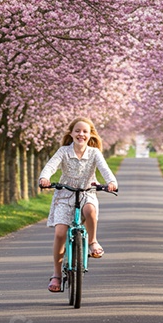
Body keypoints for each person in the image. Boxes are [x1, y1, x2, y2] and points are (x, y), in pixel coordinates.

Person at [38, 117, 119, 293]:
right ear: (71, 133)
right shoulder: (63, 151)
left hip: (86, 192)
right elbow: (51, 166)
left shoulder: (94, 153)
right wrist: (44, 178)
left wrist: (111, 182)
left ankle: (93, 242)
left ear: (90, 135)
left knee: (90, 210)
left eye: (85, 131)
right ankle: (57, 274)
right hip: (65, 194)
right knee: (60, 232)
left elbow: (105, 169)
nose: (81, 134)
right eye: (77, 131)